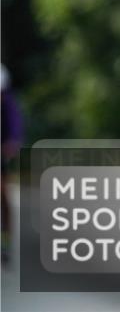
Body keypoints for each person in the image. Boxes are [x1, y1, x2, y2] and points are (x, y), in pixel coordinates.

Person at [1, 64, 24, 267]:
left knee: (3, 196)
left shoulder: (8, 104)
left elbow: (15, 125)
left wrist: (12, 143)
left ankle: (5, 242)